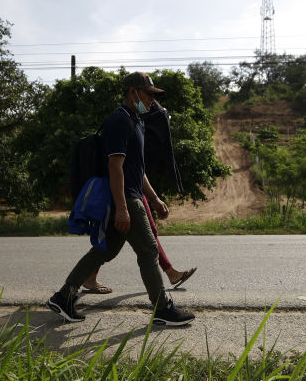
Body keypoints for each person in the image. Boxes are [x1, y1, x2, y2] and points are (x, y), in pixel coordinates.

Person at [47, 72, 195, 325]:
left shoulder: (137, 121)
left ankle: (63, 297)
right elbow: (115, 166)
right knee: (148, 250)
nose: (152, 100)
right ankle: (162, 309)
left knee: (105, 250)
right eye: (148, 94)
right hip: (126, 198)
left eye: (154, 95)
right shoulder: (119, 121)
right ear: (133, 92)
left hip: (132, 195)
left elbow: (137, 169)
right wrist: (123, 208)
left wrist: (155, 199)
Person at [82, 192, 196, 293]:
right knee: (117, 237)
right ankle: (74, 286)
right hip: (128, 192)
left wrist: (154, 199)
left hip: (132, 190)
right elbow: (121, 174)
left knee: (117, 237)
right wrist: (153, 199)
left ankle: (170, 274)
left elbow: (140, 175)